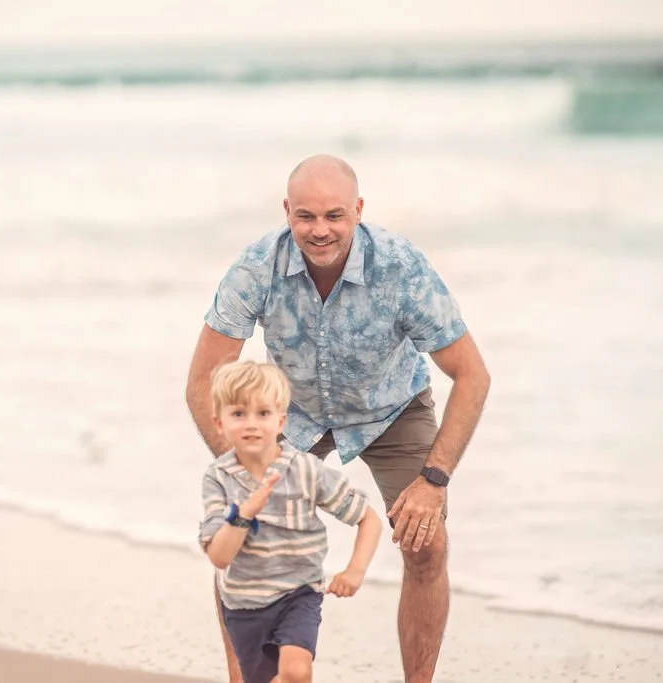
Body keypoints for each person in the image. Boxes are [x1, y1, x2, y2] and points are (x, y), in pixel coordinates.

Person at [186, 155, 491, 683]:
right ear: (287, 212)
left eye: (334, 215)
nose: (320, 230)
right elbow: (203, 381)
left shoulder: (400, 268)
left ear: (358, 211)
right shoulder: (256, 267)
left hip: (390, 409)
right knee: (241, 532)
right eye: (306, 216)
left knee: (427, 541)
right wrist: (244, 468)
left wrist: (433, 480)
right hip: (293, 413)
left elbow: (472, 376)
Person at [198, 360, 382, 683]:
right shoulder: (218, 478)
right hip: (244, 605)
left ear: (281, 420)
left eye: (263, 414)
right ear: (219, 423)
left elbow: (368, 519)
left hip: (299, 594)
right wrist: (244, 514)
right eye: (238, 414)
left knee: (296, 671)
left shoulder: (305, 470)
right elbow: (219, 556)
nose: (251, 424)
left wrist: (355, 570)